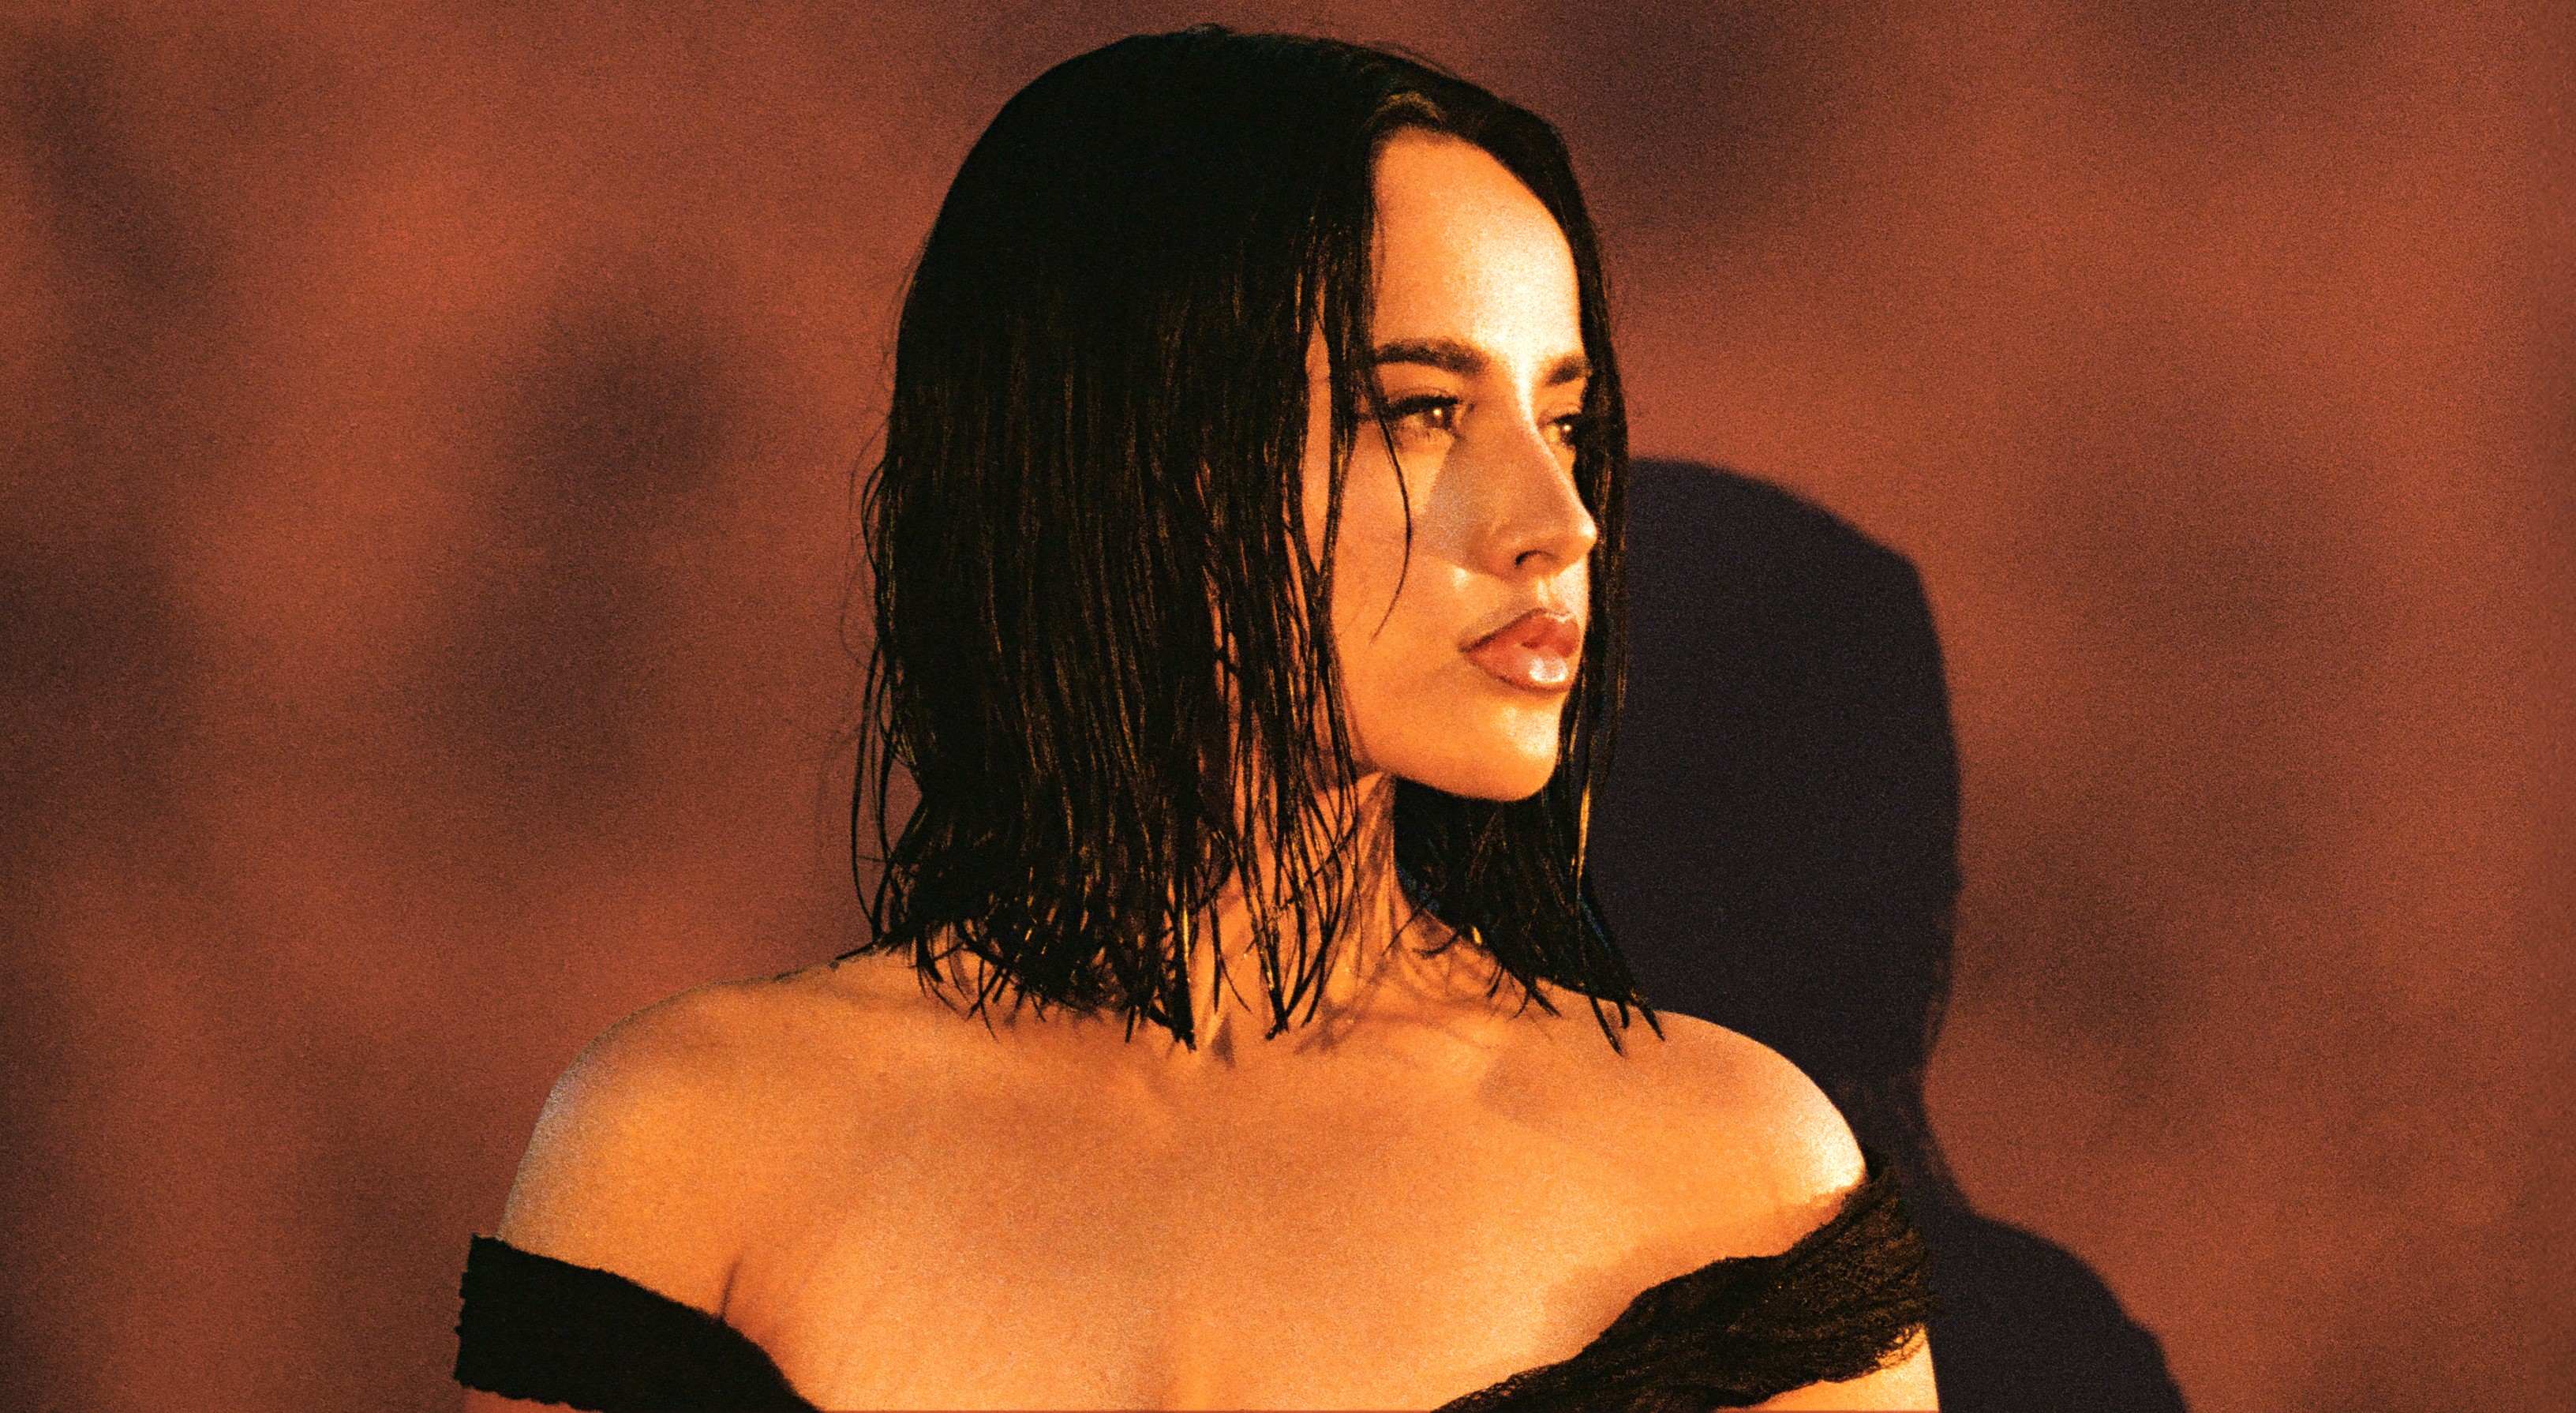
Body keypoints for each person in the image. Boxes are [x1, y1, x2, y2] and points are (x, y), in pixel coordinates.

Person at [455, 27, 1938, 1411]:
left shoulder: (1738, 1186)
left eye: (1564, 421)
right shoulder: (685, 1144)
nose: (1561, 521)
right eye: (1423, 409)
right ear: (1136, 452)